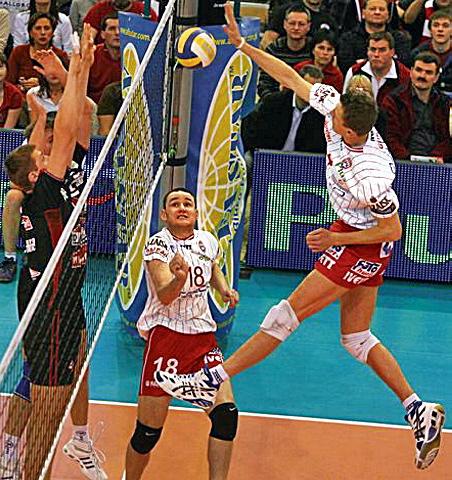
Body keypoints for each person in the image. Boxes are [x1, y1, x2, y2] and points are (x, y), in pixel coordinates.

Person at [154, 3, 446, 472]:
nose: (327, 114)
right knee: (356, 339)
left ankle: (211, 378)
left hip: (361, 241)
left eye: (335, 118)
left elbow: (393, 229)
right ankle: (418, 409)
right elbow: (291, 78)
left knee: (284, 314)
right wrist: (245, 46)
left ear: (350, 130)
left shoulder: (372, 174)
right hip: (353, 235)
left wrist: (335, 239)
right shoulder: (339, 107)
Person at [3, 25, 107, 480]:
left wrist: (75, 72)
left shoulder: (48, 183)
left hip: (62, 292)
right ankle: (24, 465)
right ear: (35, 174)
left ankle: (57, 443)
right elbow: (64, 129)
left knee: (72, 364)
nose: (47, 150)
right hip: (51, 301)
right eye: (40, 153)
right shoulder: (44, 190)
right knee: (48, 405)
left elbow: (77, 120)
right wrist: (76, 69)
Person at [124, 187, 239, 480]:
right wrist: (179, 278)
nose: (182, 207)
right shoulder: (158, 245)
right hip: (166, 339)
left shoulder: (207, 240)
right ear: (164, 215)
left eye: (188, 203)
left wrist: (224, 289)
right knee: (147, 433)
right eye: (175, 204)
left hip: (203, 339)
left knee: (226, 417)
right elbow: (165, 296)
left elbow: (213, 266)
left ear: (196, 213)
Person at [382, 51, 451, 163]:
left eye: (428, 72)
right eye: (418, 70)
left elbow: (448, 139)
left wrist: (434, 159)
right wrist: (408, 160)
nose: (422, 76)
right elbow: (390, 137)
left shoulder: (445, 103)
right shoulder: (393, 101)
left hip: (438, 163)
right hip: (401, 161)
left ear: (436, 77)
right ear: (411, 72)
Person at [337, 0, 412, 74]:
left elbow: (404, 64)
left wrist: (362, 62)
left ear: (388, 15)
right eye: (372, 9)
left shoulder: (400, 39)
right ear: (363, 13)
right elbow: (345, 66)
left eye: (381, 9)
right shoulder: (348, 39)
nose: (377, 12)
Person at [343, 32, 411, 106]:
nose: (376, 54)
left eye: (382, 50)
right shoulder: (354, 71)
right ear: (367, 51)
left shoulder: (405, 76)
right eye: (373, 49)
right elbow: (344, 104)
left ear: (392, 52)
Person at [258, 4, 312, 99]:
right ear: (285, 24)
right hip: (276, 100)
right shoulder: (273, 49)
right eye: (292, 23)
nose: (296, 28)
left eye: (301, 24)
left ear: (308, 26)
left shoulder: (314, 49)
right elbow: (264, 84)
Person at [7, 12, 69, 94]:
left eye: (47, 28)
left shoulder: (61, 55)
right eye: (38, 28)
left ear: (53, 32)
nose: (43, 32)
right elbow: (8, 82)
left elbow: (67, 85)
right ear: (30, 33)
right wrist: (22, 87)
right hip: (21, 97)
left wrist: (41, 85)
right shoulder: (19, 52)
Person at [87, 13, 121, 103]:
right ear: (102, 34)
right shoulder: (92, 55)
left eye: (121, 29)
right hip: (94, 107)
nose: (117, 33)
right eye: (112, 29)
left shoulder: (133, 55)